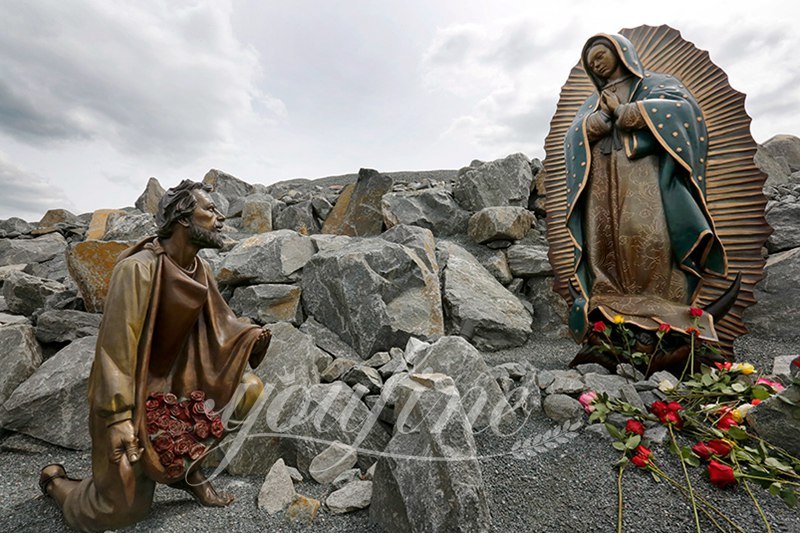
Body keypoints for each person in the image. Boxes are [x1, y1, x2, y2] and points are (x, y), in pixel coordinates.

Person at [39, 180, 271, 532]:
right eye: (209, 210)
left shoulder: (200, 269)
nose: (220, 218)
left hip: (179, 383)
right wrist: (117, 417)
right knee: (116, 513)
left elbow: (220, 326)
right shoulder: (138, 269)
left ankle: (190, 470)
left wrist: (250, 337)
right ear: (182, 218)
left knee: (249, 387)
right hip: (130, 395)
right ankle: (56, 483)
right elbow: (115, 350)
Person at [563, 33, 727, 342]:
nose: (596, 62)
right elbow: (573, 134)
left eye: (601, 54)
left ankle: (661, 296)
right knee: (604, 232)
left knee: (643, 228)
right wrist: (597, 120)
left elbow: (684, 112)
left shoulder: (657, 84)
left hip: (643, 171)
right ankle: (607, 292)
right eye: (590, 61)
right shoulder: (591, 102)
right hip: (600, 175)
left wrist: (628, 113)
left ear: (622, 52)